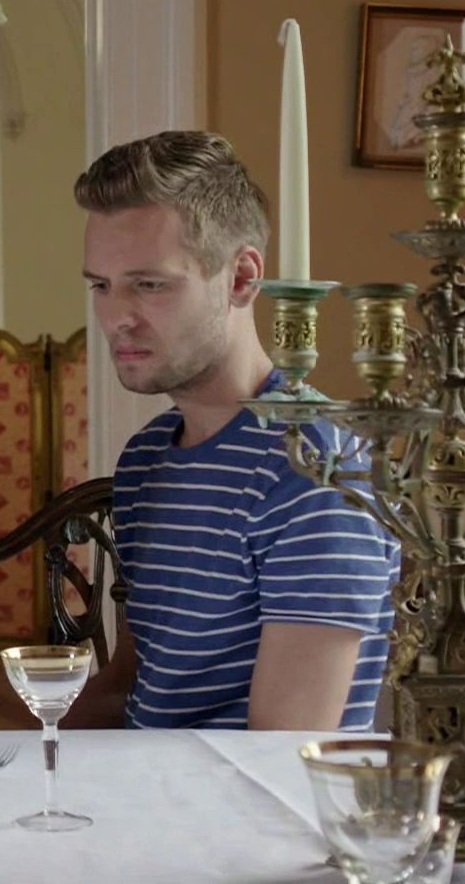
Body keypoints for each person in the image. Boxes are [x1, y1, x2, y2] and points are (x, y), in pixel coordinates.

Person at [67, 131, 400, 732]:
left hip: (248, 794)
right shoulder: (147, 457)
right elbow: (131, 689)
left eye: (150, 284)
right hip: (137, 784)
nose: (116, 318)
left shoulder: (315, 467)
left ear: (242, 278)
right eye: (101, 285)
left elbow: (283, 754)